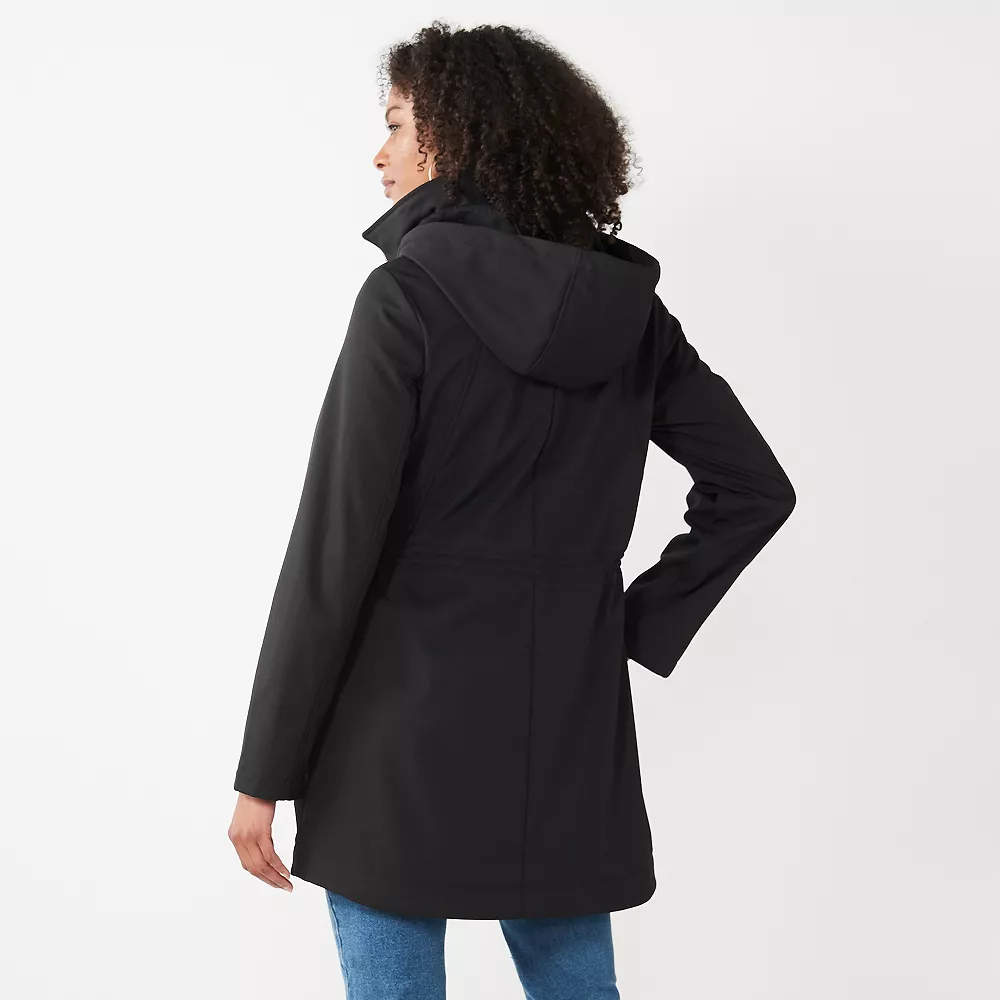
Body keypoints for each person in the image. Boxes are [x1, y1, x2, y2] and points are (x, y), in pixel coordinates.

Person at [228, 20, 796, 1000]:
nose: (379, 152)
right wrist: (629, 625)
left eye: (397, 124)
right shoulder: (630, 317)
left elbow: (334, 549)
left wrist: (262, 772)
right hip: (564, 730)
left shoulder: (404, 298)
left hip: (392, 741)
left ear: (457, 138)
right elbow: (754, 488)